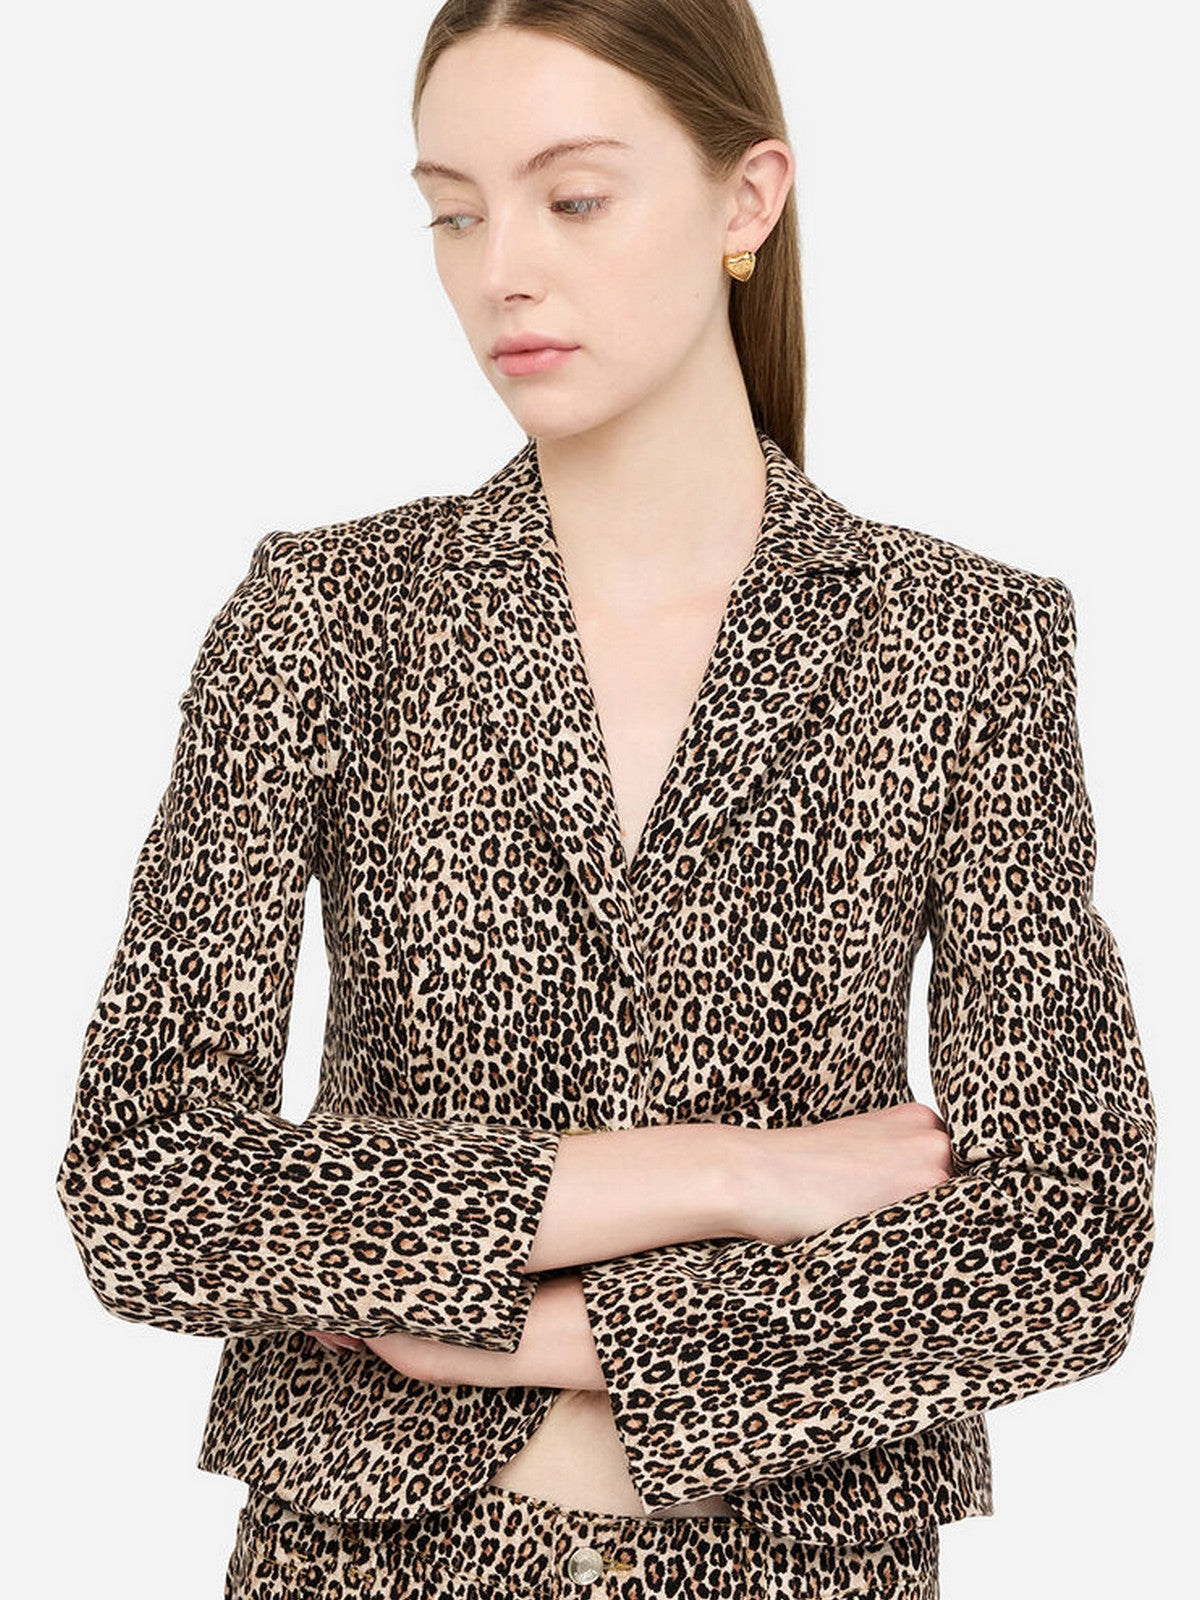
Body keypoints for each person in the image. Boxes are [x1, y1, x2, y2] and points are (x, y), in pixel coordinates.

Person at [55, 2, 1157, 1597]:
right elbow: (146, 1180)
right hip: (364, 1565)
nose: (500, 268)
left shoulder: (959, 640)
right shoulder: (325, 617)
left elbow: (1067, 1230)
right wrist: (732, 1174)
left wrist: (552, 1334)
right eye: (453, 212)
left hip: (799, 1568)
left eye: (572, 198)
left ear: (745, 199)